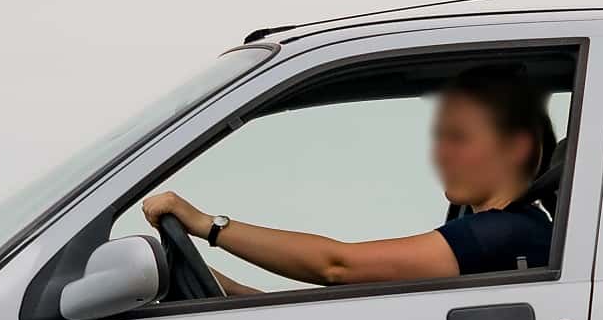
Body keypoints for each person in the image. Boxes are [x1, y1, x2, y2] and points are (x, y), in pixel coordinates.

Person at [139, 66, 556, 292]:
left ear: (517, 147)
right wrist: (219, 289)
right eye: (440, 139)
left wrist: (208, 225)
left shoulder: (506, 234)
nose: (440, 153)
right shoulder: (503, 234)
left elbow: (337, 266)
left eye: (459, 138)